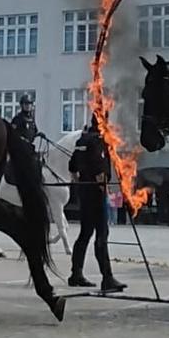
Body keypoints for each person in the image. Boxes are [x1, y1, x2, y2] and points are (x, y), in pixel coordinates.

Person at [66, 119, 125, 292]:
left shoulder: (81, 141)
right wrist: (103, 190)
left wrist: (81, 185)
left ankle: (75, 274)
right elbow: (99, 170)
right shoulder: (97, 141)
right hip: (96, 194)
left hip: (84, 193)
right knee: (102, 234)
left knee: (85, 234)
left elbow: (72, 168)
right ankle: (107, 278)